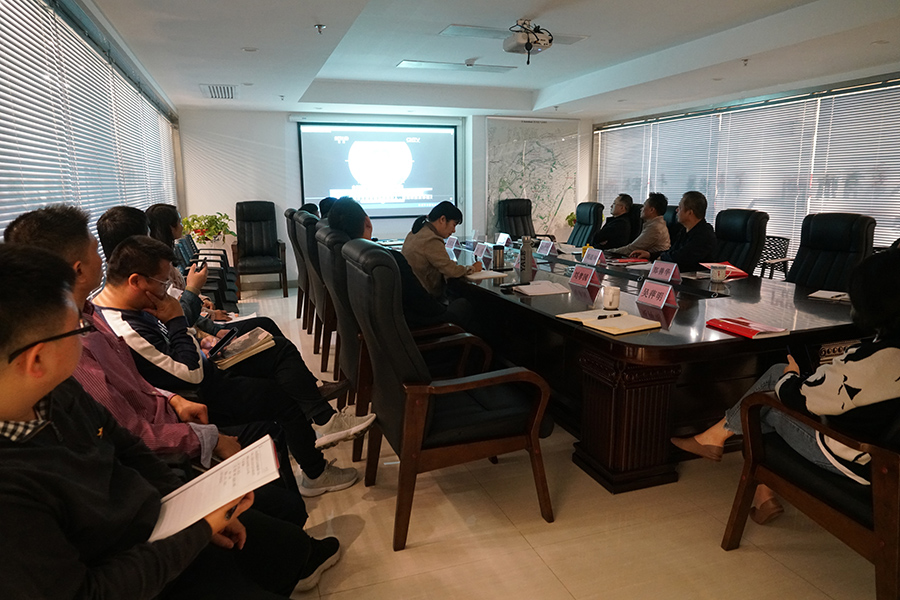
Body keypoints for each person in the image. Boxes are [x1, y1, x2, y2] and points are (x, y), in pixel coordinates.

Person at [0, 243, 340, 599]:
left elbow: (129, 447)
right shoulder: (13, 491)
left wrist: (193, 504)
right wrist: (196, 531)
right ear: (37, 360)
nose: (87, 333)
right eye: (77, 329)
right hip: (134, 565)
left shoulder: (59, 394)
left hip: (157, 517)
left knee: (282, 543)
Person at [4, 206, 318, 517]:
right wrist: (204, 436)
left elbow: (137, 385)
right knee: (274, 403)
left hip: (179, 408)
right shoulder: (82, 344)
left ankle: (315, 425)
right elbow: (136, 431)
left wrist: (173, 398)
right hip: (181, 427)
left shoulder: (92, 314)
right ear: (78, 270)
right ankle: (313, 455)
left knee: (273, 355)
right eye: (93, 250)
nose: (101, 259)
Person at [92, 235, 374, 494]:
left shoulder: (134, 307)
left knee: (277, 349)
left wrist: (194, 335)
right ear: (137, 282)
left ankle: (322, 419)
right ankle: (316, 468)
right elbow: (189, 375)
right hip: (199, 396)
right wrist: (178, 321)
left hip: (205, 368)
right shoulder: (124, 327)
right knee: (281, 395)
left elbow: (176, 351)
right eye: (163, 283)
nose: (166, 291)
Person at [671, 249, 900, 524]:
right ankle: (760, 492)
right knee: (771, 392)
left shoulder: (878, 361)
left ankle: (717, 439)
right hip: (879, 450)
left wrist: (790, 378)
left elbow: (804, 399)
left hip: (859, 460)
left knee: (768, 396)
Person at [329, 197, 473, 329]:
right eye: (453, 225)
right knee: (466, 305)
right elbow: (423, 303)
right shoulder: (387, 259)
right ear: (367, 222)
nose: (454, 230)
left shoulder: (346, 257)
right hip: (415, 325)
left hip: (389, 327)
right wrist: (444, 309)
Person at [402, 200, 482, 298]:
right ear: (442, 219)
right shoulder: (431, 239)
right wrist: (473, 268)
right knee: (467, 303)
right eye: (454, 225)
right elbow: (451, 270)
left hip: (411, 297)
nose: (454, 230)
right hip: (426, 299)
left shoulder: (416, 232)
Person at [630, 191, 717, 272]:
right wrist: (650, 255)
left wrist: (662, 258)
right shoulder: (684, 230)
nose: (676, 210)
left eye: (680, 207)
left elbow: (682, 257)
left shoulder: (705, 234)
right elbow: (672, 252)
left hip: (694, 280)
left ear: (690, 213)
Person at [607, 192, 670, 256]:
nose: (641, 209)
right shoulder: (653, 224)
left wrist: (608, 252)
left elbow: (632, 249)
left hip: (654, 261)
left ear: (652, 210)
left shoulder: (655, 228)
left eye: (644, 206)